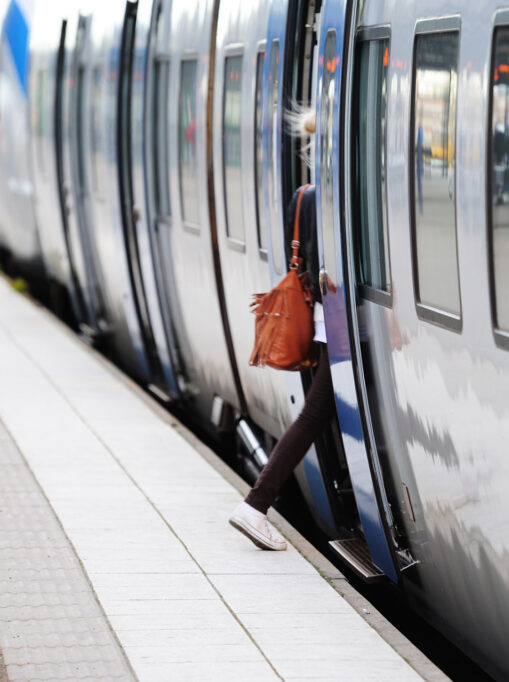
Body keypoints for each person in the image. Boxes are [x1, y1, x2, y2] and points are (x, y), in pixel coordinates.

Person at [229, 109, 334, 551]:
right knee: (313, 414)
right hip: (341, 325)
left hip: (320, 319)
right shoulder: (331, 200)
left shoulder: (304, 196)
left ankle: (256, 504)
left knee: (315, 414)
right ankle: (256, 504)